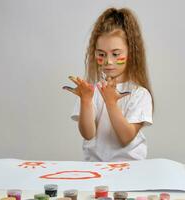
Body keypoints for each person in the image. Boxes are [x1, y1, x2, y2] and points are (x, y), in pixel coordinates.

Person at [63, 7, 154, 162]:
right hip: (95, 168)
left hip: (130, 170)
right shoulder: (91, 91)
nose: (108, 61)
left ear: (131, 53)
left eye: (116, 54)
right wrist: (85, 100)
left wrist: (111, 102)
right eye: (101, 54)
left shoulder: (139, 93)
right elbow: (88, 134)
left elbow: (126, 137)